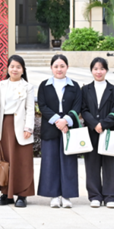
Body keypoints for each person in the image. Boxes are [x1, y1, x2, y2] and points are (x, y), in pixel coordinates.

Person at [37, 54, 82, 209]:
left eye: (62, 66)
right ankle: (54, 195)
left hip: (69, 129)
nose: (59, 69)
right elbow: (42, 106)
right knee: (50, 162)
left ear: (67, 67)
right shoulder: (44, 85)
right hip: (50, 128)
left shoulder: (74, 86)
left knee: (68, 162)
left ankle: (67, 195)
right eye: (56, 66)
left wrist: (66, 121)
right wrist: (58, 121)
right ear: (51, 68)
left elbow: (77, 106)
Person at [0, 55, 36, 208]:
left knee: (22, 161)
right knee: (6, 159)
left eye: (18, 67)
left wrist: (28, 128)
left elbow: (30, 108)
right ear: (7, 68)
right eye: (12, 66)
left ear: (23, 70)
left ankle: (22, 194)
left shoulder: (28, 87)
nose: (15, 69)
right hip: (5, 126)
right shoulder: (1, 85)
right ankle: (6, 193)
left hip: (22, 127)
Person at [81, 57, 114, 209]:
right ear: (91, 70)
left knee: (109, 165)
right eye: (96, 69)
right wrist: (94, 124)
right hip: (91, 132)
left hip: (108, 132)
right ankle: (95, 196)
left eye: (102, 69)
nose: (99, 72)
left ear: (106, 70)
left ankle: (110, 196)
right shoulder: (85, 90)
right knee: (92, 165)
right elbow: (83, 109)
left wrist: (103, 124)